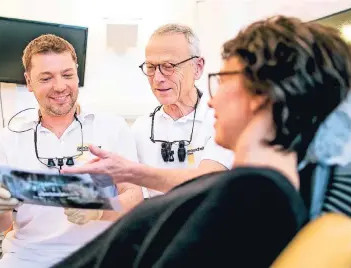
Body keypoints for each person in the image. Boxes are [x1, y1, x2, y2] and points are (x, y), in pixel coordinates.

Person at [53, 15, 351, 267]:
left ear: (259, 94)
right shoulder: (257, 190)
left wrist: (128, 171)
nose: (212, 101)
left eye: (223, 80)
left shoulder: (254, 193)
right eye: (151, 68)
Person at [0, 34, 143, 268]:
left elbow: (135, 197)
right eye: (46, 78)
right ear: (29, 81)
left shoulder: (112, 127)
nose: (60, 86)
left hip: (100, 256)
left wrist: (99, 210)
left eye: (67, 75)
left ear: (77, 73)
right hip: (27, 259)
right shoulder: (9, 138)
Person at [61, 24, 233, 199]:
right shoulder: (141, 128)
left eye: (168, 66)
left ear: (197, 67)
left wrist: (132, 172)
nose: (157, 78)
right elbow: (131, 196)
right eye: (151, 67)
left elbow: (207, 181)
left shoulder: (219, 119)